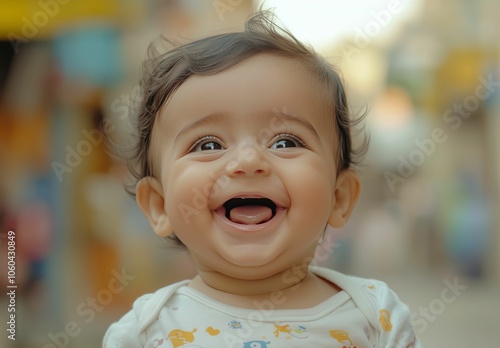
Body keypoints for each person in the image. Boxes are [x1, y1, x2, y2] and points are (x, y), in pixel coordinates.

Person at [103, 10, 420, 348]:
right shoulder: (144, 332)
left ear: (339, 198)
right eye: (208, 144)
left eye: (285, 142)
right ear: (159, 205)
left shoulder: (374, 316)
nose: (248, 161)